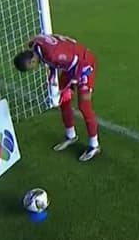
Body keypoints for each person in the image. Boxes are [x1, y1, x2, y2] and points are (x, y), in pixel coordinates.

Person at [14, 34, 100, 162]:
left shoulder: (53, 55)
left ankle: (94, 145)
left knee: (84, 106)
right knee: (64, 101)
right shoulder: (34, 44)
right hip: (69, 64)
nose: (32, 70)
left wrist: (72, 83)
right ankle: (71, 136)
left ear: (32, 61)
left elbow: (78, 62)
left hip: (84, 65)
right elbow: (53, 60)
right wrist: (53, 77)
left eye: (30, 68)